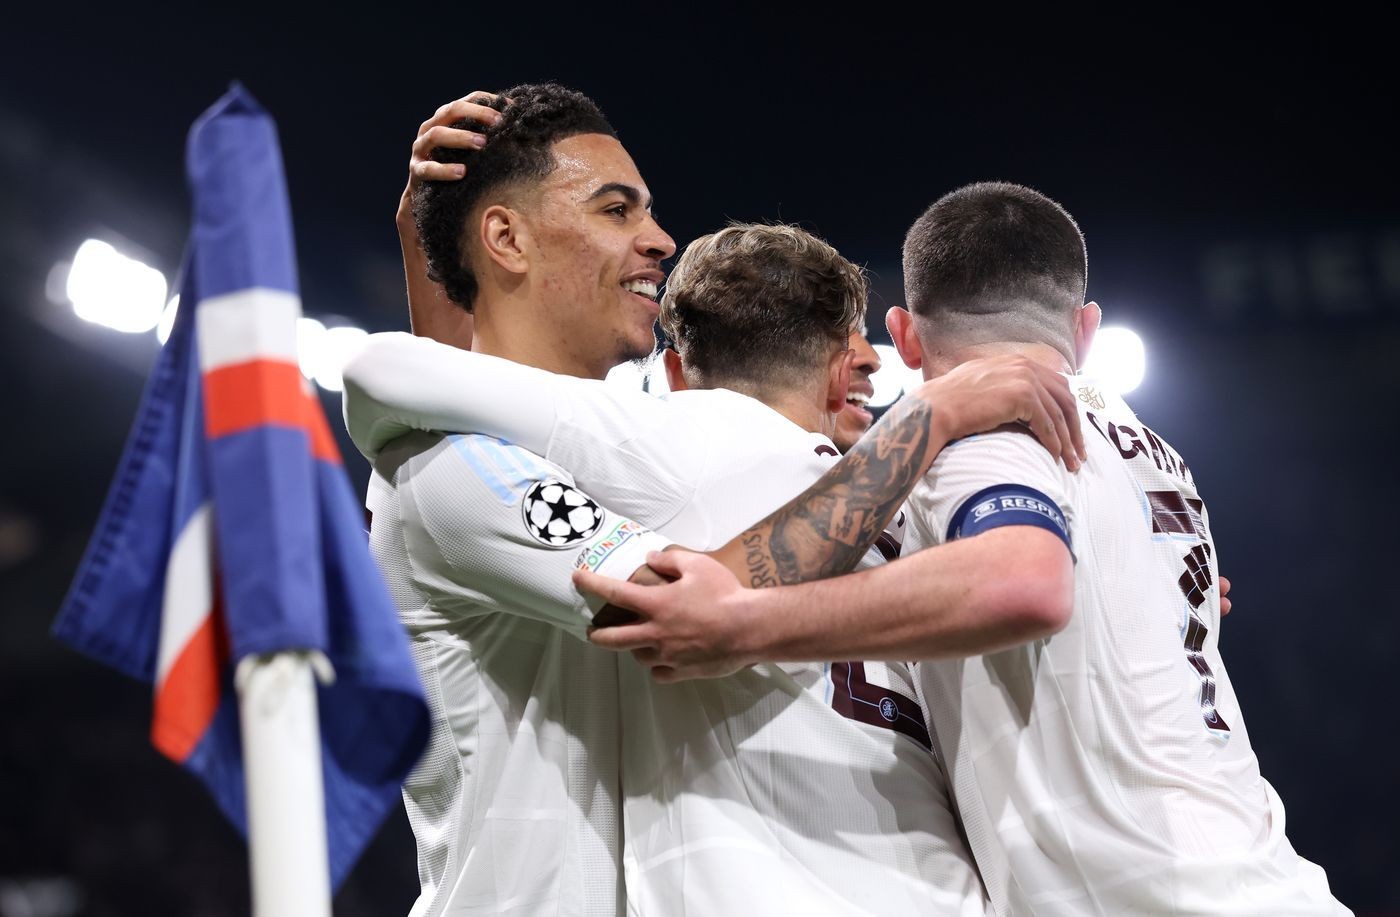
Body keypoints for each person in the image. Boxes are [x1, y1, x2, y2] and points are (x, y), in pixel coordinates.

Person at [358, 85, 1083, 917]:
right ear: (507, 237)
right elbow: (676, 605)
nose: (660, 240)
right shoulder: (450, 466)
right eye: (616, 208)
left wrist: (439, 251)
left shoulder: (668, 446)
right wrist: (926, 420)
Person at [574, 183, 1349, 915]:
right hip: (1265, 877)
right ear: (1085, 329)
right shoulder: (1157, 454)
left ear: (904, 336)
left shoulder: (990, 421)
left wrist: (743, 623)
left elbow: (1021, 583)